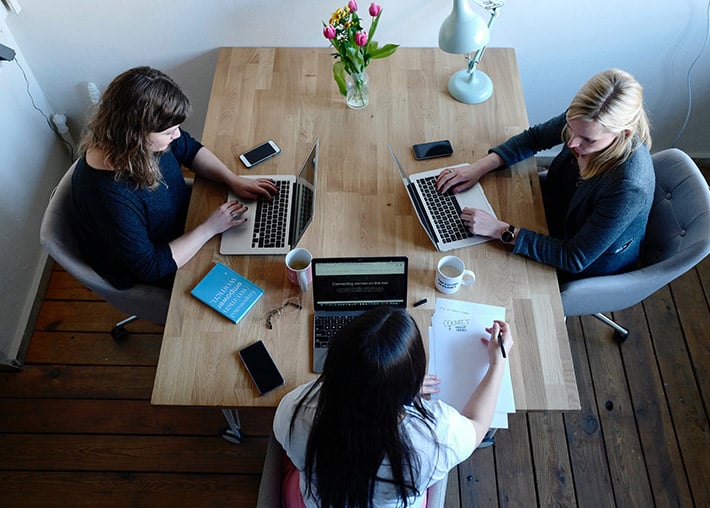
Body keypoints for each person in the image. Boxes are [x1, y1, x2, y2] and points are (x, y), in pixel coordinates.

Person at [273, 306, 513, 508]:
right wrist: (497, 362)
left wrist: (385, 386)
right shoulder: (436, 438)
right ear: (413, 380)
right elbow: (477, 424)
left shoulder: (294, 409)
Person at [436, 68, 655, 281]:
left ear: (623, 134)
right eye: (571, 128)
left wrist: (499, 229)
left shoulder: (628, 187)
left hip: (582, 263)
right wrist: (478, 168)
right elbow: (535, 138)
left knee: (491, 275)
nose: (572, 143)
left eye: (588, 140)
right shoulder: (584, 119)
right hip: (553, 213)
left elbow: (574, 257)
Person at [71, 66, 278, 289]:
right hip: (161, 261)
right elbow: (150, 267)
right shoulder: (108, 197)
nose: (176, 135)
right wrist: (209, 228)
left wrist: (231, 179)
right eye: (169, 132)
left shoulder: (138, 144)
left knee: (261, 244)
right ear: (136, 135)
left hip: (186, 222)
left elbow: (189, 149)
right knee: (256, 275)